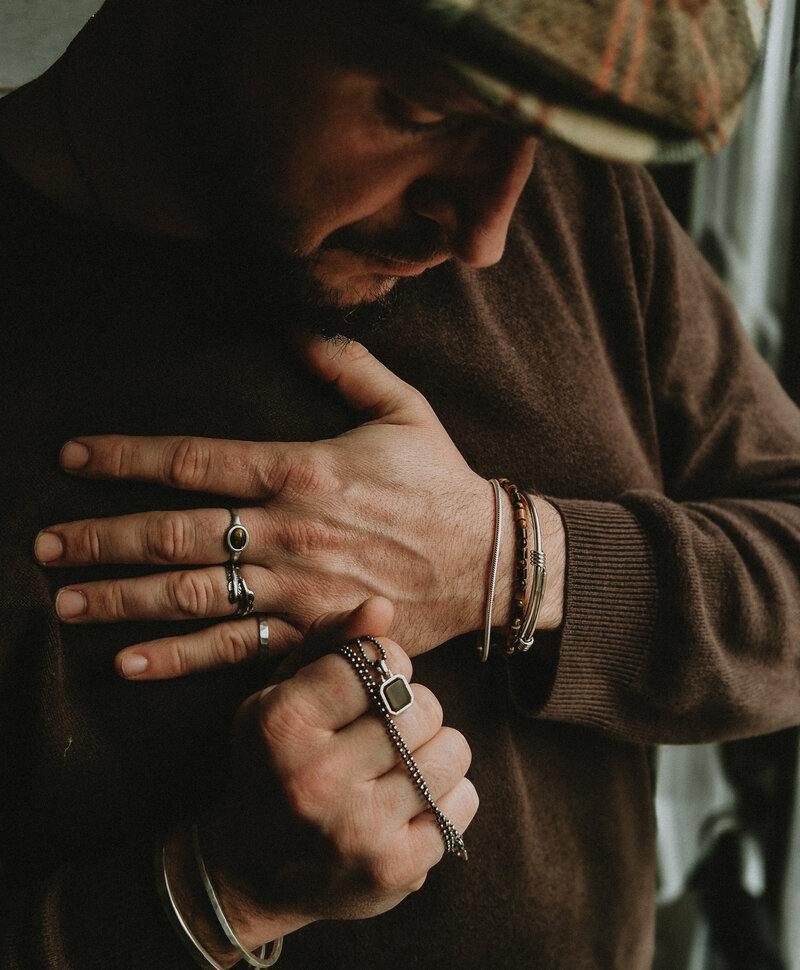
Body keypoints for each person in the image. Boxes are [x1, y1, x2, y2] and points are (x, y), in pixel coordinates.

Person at [1, 0, 799, 967]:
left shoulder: (574, 194)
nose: (487, 236)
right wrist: (216, 896)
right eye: (424, 113)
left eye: (537, 138)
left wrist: (506, 558)